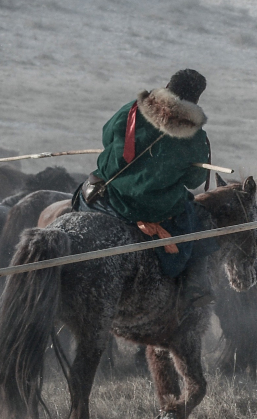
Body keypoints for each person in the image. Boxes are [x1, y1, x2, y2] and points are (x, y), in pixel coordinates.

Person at [82, 68, 218, 284]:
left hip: (107, 194)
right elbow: (194, 181)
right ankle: (192, 293)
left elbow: (106, 136)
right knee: (200, 233)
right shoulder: (194, 137)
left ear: (167, 86)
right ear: (196, 100)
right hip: (151, 208)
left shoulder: (133, 108)